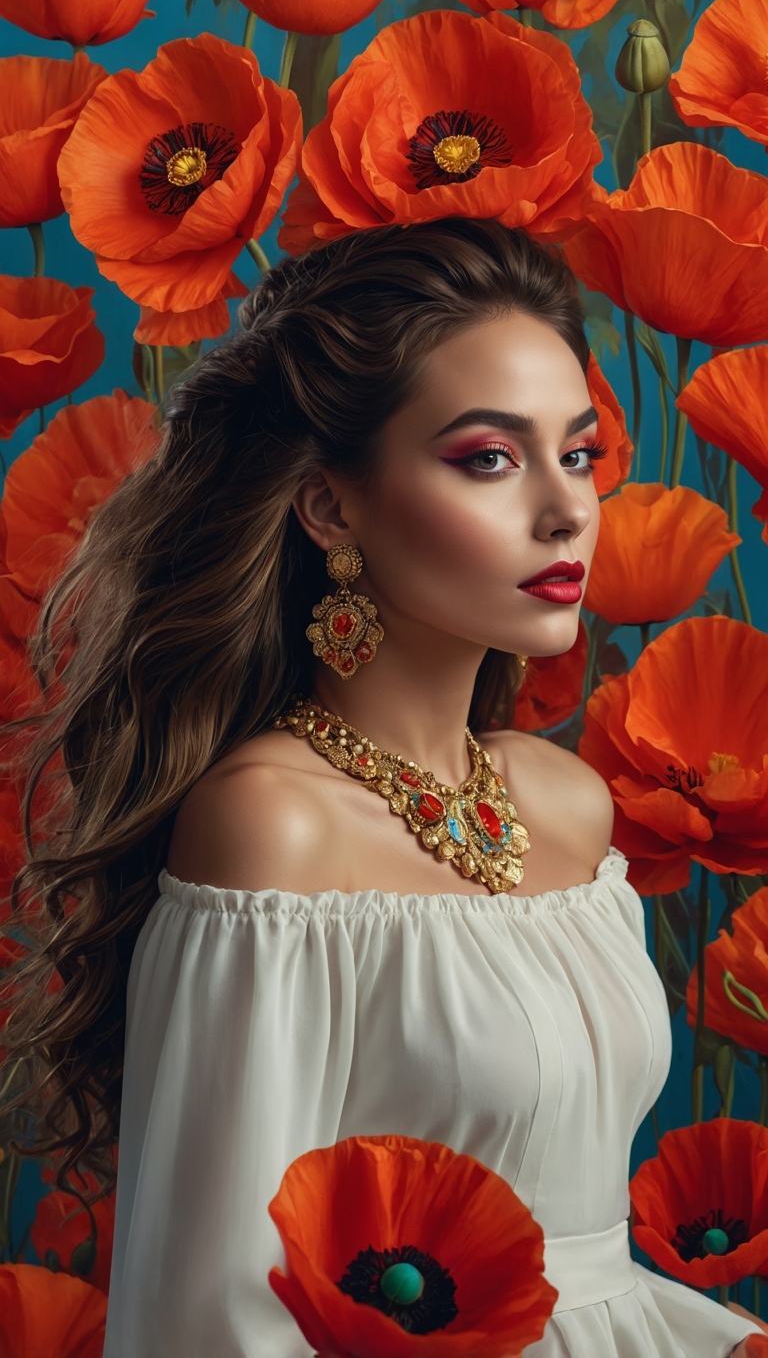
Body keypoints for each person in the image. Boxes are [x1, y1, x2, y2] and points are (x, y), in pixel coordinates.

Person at [2, 219, 762, 1357]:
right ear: (330, 506)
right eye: (489, 459)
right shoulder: (273, 826)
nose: (565, 510)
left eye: (581, 452)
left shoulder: (566, 804)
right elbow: (215, 1307)